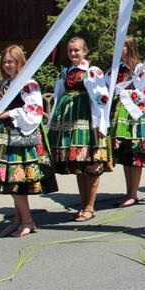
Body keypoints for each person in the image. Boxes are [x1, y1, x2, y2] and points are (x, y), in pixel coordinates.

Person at [0, 45, 57, 237]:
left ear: (19, 62)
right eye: (5, 62)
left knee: (16, 178)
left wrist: (8, 113)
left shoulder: (28, 84)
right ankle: (18, 220)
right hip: (1, 136)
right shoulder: (0, 86)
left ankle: (27, 220)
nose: (7, 65)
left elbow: (35, 110)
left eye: (11, 61)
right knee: (10, 180)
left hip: (19, 137)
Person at [47, 37, 113, 222]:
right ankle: (82, 204)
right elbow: (58, 97)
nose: (73, 53)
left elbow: (102, 99)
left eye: (76, 50)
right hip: (69, 124)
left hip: (87, 122)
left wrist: (101, 125)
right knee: (78, 164)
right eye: (70, 50)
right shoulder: (64, 73)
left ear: (85, 51)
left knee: (91, 164)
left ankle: (90, 207)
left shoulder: (93, 72)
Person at [108, 36, 145, 208]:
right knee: (126, 155)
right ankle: (128, 192)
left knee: (135, 154)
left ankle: (133, 193)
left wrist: (127, 96)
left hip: (136, 116)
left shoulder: (140, 69)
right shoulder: (116, 69)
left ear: (130, 48)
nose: (118, 50)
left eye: (122, 46)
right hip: (121, 117)